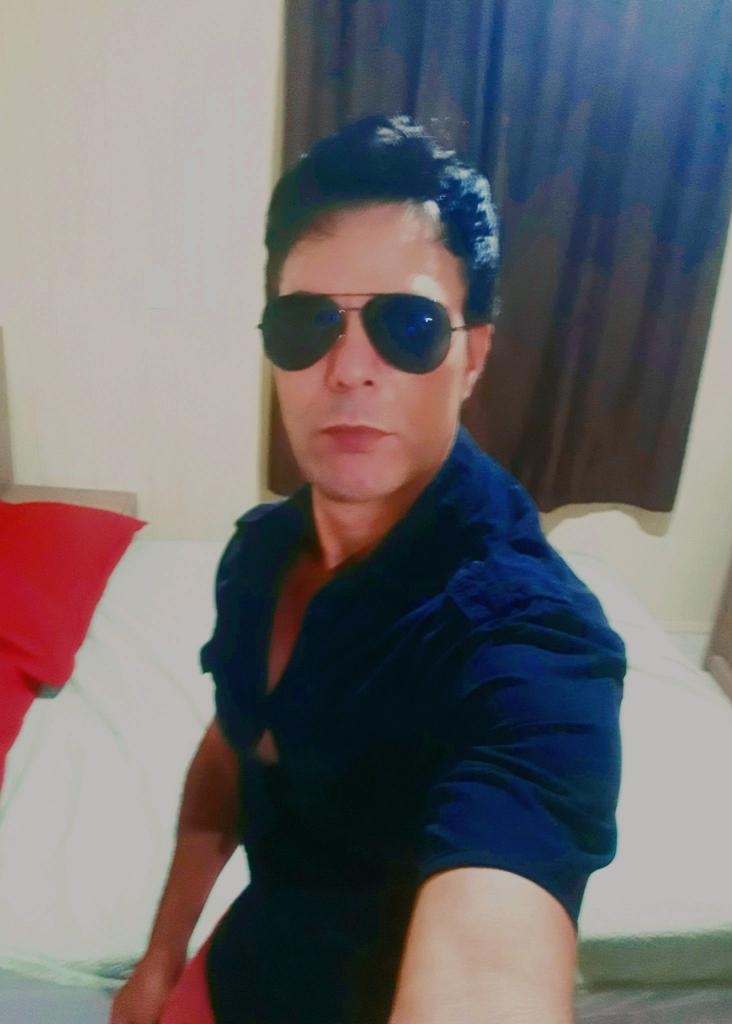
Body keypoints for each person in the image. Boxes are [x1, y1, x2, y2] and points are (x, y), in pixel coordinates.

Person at [110, 113, 625, 1024]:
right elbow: (234, 745)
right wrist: (161, 958)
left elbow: (490, 967)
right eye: (307, 322)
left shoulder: (530, 636)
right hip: (246, 966)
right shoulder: (259, 554)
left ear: (472, 356)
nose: (348, 368)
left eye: (408, 324)